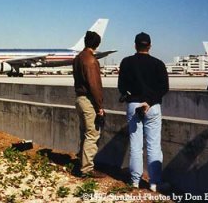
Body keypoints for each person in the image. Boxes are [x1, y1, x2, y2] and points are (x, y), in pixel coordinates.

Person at [117, 32, 169, 192]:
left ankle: (134, 181)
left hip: (134, 105)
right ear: (150, 46)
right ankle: (154, 183)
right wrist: (149, 101)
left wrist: (130, 96)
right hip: (152, 107)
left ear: (135, 45)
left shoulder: (126, 62)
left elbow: (121, 86)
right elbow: (164, 88)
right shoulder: (158, 64)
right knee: (153, 146)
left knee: (135, 145)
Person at [72, 31, 106, 178]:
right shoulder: (91, 60)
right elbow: (95, 86)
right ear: (97, 44)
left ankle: (81, 162)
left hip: (79, 99)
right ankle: (86, 169)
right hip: (88, 101)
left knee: (84, 133)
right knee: (92, 134)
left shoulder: (78, 58)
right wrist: (99, 107)